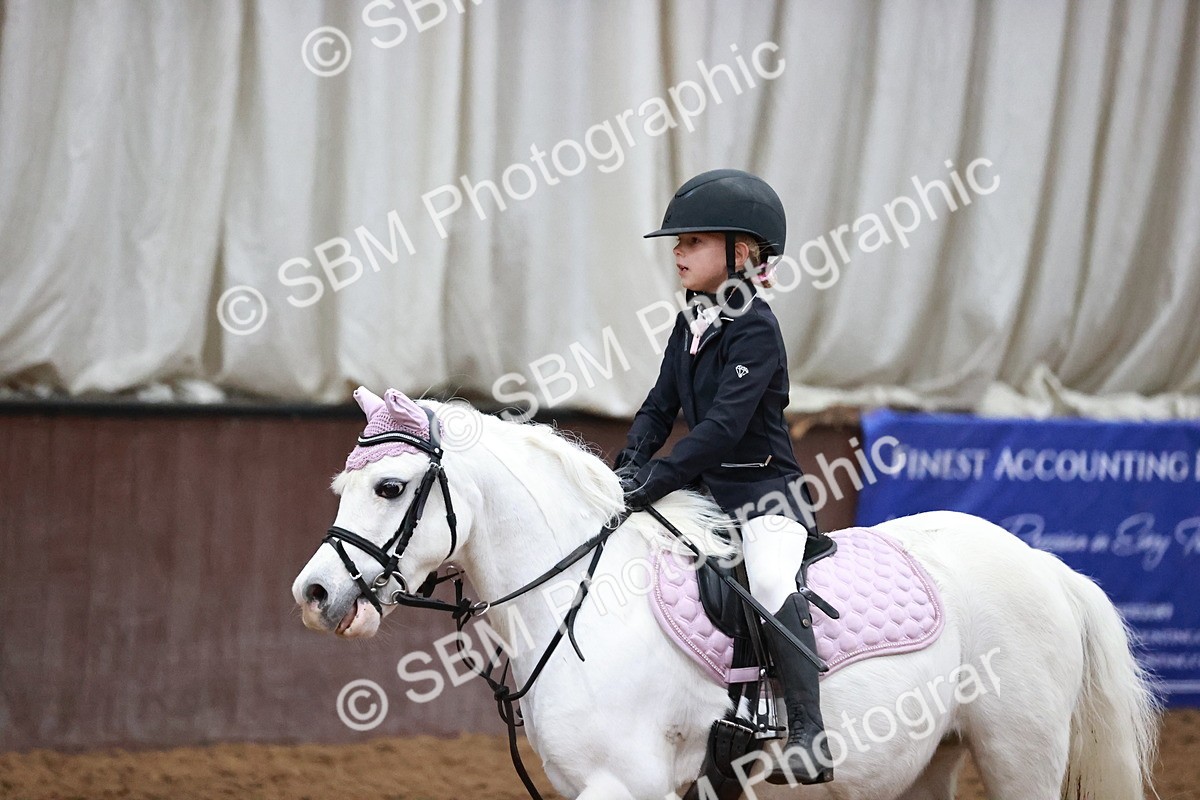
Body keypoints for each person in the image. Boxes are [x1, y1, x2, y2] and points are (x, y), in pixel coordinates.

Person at [614, 168, 832, 785]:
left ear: (740, 253)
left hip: (765, 495)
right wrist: (627, 466)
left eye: (693, 242)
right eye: (678, 243)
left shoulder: (756, 327)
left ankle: (809, 732)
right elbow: (659, 406)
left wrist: (657, 478)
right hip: (707, 495)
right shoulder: (690, 321)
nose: (678, 253)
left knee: (768, 578)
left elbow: (723, 430)